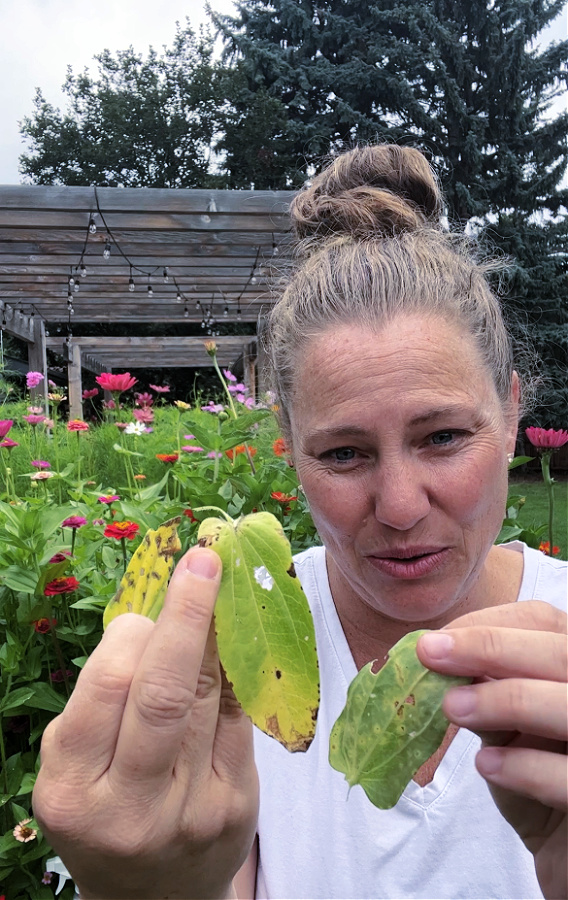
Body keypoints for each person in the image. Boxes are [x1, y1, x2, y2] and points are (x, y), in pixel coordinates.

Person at [33, 144, 567, 900]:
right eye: (344, 453)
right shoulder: (233, 654)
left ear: (511, 416)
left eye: (443, 437)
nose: (403, 505)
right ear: (290, 446)